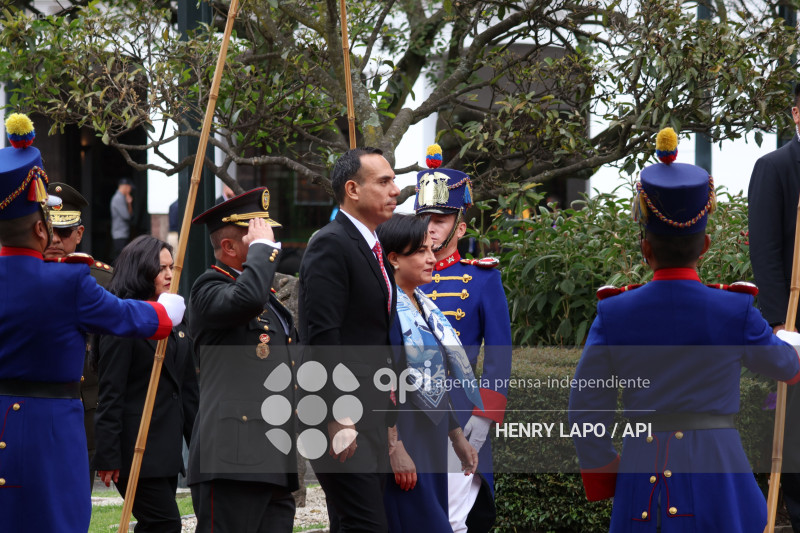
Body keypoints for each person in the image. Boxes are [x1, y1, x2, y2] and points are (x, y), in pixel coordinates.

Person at [569, 127, 800, 532]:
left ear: (645, 248)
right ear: (706, 245)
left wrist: (609, 473)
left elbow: (585, 410)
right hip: (720, 475)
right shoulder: (735, 308)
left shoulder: (614, 312)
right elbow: (788, 367)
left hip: (643, 473)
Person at [0, 112, 184, 532]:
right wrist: (165, 313)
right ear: (42, 227)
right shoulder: (68, 281)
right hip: (52, 429)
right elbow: (124, 316)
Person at [298, 147, 400, 532]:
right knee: (367, 524)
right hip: (338, 414)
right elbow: (323, 337)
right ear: (353, 189)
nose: (396, 189)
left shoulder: (371, 245)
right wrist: (337, 416)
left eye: (394, 180)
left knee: (352, 524)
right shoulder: (331, 243)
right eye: (384, 181)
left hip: (370, 412)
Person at [188, 187, 299, 533]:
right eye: (258, 239)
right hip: (231, 461)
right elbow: (246, 298)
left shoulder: (268, 302)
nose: (272, 247)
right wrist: (263, 254)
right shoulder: (208, 289)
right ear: (229, 248)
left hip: (273, 458)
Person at [414, 143, 512, 532]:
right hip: (409, 411)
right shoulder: (397, 275)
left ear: (461, 226)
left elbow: (500, 353)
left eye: (441, 219)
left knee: (454, 520)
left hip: (460, 411)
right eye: (425, 218)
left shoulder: (483, 278)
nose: (431, 226)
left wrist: (486, 415)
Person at [376, 213, 480, 532]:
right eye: (421, 252)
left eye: (431, 250)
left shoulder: (423, 304)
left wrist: (456, 435)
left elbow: (434, 378)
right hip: (404, 435)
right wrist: (394, 446)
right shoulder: (384, 309)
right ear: (394, 258)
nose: (432, 258)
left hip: (430, 437)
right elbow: (378, 382)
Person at [93, 235, 199, 532]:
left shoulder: (174, 315)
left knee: (158, 525)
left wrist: (201, 443)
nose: (168, 274)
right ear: (141, 271)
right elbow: (111, 391)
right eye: (160, 268)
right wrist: (108, 455)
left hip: (166, 451)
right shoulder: (123, 319)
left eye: (171, 267)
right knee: (165, 524)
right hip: (134, 449)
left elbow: (187, 391)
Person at [748, 82, 800, 532]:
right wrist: (783, 324)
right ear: (796, 114)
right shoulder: (776, 166)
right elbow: (765, 252)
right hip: (798, 320)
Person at [44, 181, 114, 492]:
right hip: (28, 406)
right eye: (49, 231)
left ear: (79, 234)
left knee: (74, 502)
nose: (55, 240)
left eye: (64, 232)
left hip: (84, 409)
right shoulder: (15, 274)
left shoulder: (103, 280)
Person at [110, 177, 134, 260]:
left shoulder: (122, 198)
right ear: (126, 186)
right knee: (120, 258)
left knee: (122, 257)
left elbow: (130, 216)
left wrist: (129, 203)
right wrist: (129, 204)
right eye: (130, 188)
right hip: (120, 234)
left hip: (122, 233)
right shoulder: (118, 198)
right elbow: (127, 216)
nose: (130, 190)